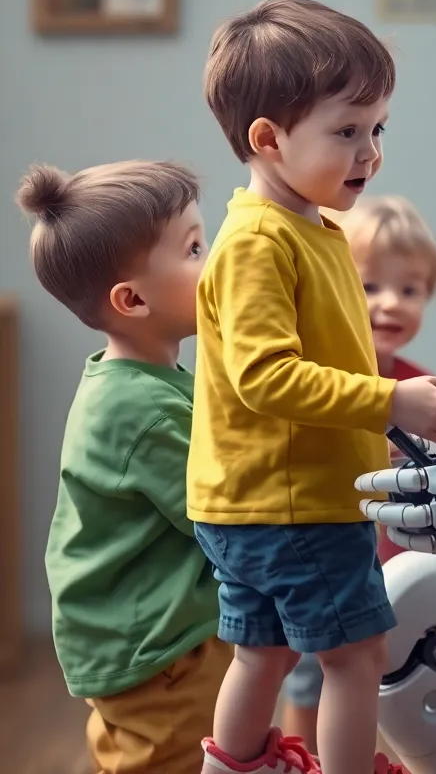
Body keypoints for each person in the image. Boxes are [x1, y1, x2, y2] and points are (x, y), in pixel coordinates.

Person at [186, 0, 436, 774]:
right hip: (295, 507)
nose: (370, 152)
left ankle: (238, 766)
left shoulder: (311, 230)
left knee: (265, 652)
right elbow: (265, 377)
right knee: (356, 657)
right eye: (347, 131)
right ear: (268, 139)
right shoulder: (260, 243)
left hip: (261, 500)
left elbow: (326, 360)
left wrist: (383, 427)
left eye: (377, 129)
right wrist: (391, 398)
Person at [15, 160, 229, 774]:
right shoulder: (140, 409)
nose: (213, 260)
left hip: (141, 629)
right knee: (181, 757)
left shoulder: (144, 381)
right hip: (161, 645)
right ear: (132, 300)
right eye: (193, 249)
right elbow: (223, 503)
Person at [281, 195, 436, 752]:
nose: (391, 304)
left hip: (394, 563)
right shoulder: (320, 379)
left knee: (385, 672)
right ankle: (301, 757)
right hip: (324, 550)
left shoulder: (420, 388)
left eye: (411, 288)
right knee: (310, 669)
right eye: (370, 286)